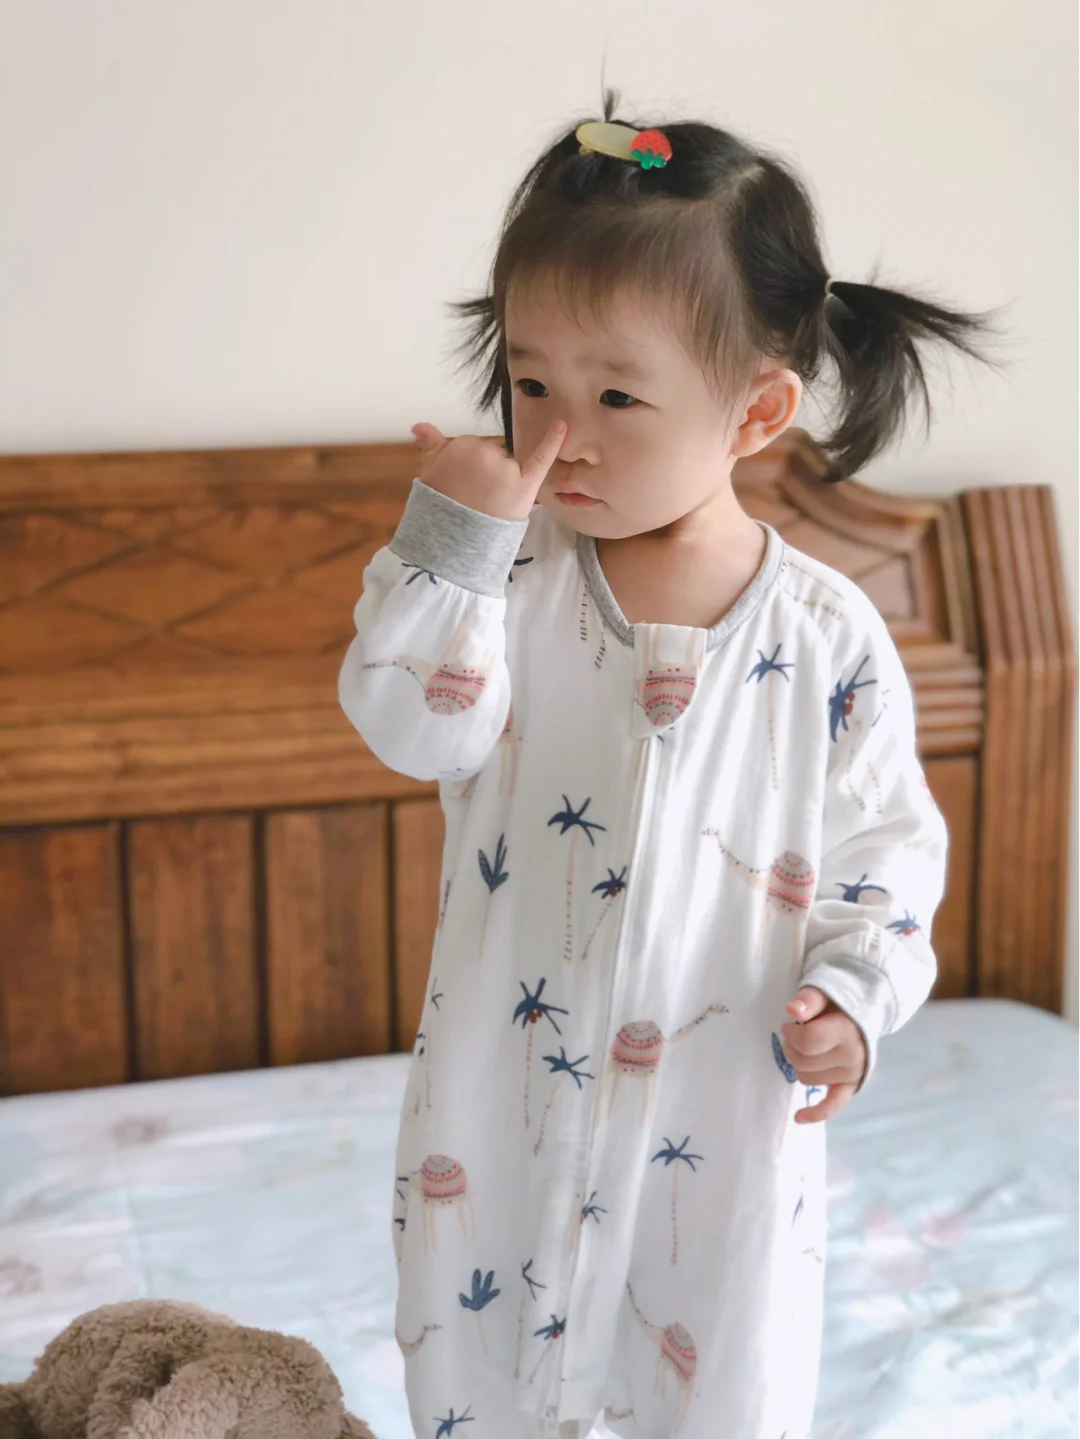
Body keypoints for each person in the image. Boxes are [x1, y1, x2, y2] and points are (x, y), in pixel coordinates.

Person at [338, 90, 995, 1439]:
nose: (560, 434)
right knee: (479, 1378)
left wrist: (854, 995)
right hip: (500, 1109)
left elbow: (888, 854)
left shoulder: (825, 637)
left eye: (617, 395)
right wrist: (451, 547)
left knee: (716, 1384)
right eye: (530, 383)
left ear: (757, 411)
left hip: (719, 1127)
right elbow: (411, 724)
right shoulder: (500, 583)